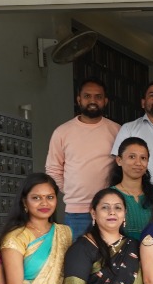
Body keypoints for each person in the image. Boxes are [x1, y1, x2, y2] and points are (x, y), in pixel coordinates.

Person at [45, 79, 121, 239]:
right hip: (76, 213)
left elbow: (123, 167)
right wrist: (70, 190)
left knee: (111, 254)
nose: (93, 100)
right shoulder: (62, 132)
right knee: (77, 254)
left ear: (105, 101)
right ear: (79, 100)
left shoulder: (117, 131)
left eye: (98, 97)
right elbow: (53, 169)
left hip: (110, 208)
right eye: (87, 96)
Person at [105, 136, 153, 241]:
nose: (138, 163)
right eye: (132, 157)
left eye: (143, 158)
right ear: (119, 160)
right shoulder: (108, 196)